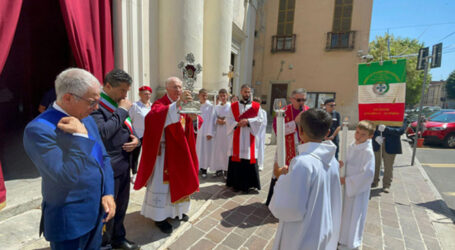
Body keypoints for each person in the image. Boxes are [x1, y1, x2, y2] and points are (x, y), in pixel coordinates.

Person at [23, 68, 115, 249]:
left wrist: (108, 192)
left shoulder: (85, 118)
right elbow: (65, 177)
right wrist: (80, 138)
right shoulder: (39, 129)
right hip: (70, 221)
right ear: (67, 98)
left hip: (97, 211)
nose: (96, 108)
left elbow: (103, 157)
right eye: (92, 102)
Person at [268, 108, 341, 250]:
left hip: (302, 236)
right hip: (322, 231)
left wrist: (281, 178)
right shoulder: (333, 162)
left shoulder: (302, 163)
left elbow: (289, 208)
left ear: (300, 131)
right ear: (327, 133)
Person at [134, 77, 199, 234]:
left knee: (179, 182)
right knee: (162, 185)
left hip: (180, 153)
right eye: (175, 87)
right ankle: (159, 217)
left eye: (180, 87)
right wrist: (177, 105)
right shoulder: (160, 104)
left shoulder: (183, 104)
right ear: (167, 89)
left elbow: (187, 127)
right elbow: (153, 118)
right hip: (164, 154)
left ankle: (176, 212)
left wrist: (193, 120)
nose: (178, 90)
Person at [91, 69, 140, 250]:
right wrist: (121, 110)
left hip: (123, 164)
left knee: (121, 207)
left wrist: (135, 140)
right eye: (122, 90)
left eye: (127, 91)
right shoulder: (97, 106)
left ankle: (118, 238)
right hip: (108, 167)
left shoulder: (116, 104)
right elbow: (103, 133)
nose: (125, 95)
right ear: (108, 86)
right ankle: (104, 244)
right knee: (107, 210)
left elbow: (125, 129)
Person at [266, 88, 309, 205]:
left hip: (302, 149)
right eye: (299, 100)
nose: (302, 103)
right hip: (285, 148)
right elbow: (277, 131)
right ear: (291, 99)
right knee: (282, 171)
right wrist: (294, 122)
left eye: (304, 100)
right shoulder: (282, 111)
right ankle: (278, 203)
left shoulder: (308, 111)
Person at [338, 120, 375, 249]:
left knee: (353, 215)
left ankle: (350, 241)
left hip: (356, 190)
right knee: (344, 214)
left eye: (363, 134)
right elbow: (347, 161)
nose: (358, 136)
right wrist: (341, 165)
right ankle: (341, 237)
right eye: (357, 132)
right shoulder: (353, 145)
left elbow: (368, 174)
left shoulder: (368, 152)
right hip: (347, 187)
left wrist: (348, 181)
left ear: (370, 136)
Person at [226, 84, 264, 193]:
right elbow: (229, 120)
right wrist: (237, 123)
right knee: (237, 159)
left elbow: (260, 120)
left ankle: (249, 184)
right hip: (237, 136)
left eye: (248, 92)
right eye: (245, 92)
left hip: (249, 136)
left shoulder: (256, 106)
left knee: (248, 158)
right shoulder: (233, 106)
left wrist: (248, 121)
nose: (247, 94)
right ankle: (235, 184)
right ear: (241, 92)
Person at [372, 121, 407, 193]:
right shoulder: (379, 112)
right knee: (375, 164)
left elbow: (400, 131)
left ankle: (386, 185)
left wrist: (386, 129)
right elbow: (370, 127)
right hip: (377, 142)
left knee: (388, 166)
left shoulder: (400, 115)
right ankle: (374, 182)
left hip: (391, 144)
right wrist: (375, 137)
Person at [129, 85, 152, 182]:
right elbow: (130, 119)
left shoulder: (152, 105)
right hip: (137, 133)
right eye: (145, 94)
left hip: (149, 134)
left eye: (149, 94)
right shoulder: (135, 106)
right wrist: (131, 133)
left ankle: (147, 173)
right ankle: (134, 173)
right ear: (140, 95)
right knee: (136, 154)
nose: (147, 96)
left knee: (148, 155)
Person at [210, 89, 231, 178]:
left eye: (224, 95)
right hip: (219, 131)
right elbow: (213, 118)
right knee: (218, 150)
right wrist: (216, 120)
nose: (222, 97)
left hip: (227, 131)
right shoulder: (217, 107)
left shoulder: (231, 106)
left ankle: (226, 170)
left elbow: (233, 117)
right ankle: (219, 169)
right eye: (221, 96)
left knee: (226, 150)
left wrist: (226, 121)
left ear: (227, 96)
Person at [196, 88, 214, 178]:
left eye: (206, 95)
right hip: (197, 132)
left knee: (205, 151)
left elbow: (212, 120)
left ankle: (204, 169)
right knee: (197, 150)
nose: (205, 96)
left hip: (206, 132)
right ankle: (197, 167)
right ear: (199, 95)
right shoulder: (196, 105)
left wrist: (209, 132)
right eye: (203, 95)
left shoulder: (210, 106)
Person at [253, 96, 267, 171]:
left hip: (260, 133)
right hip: (253, 133)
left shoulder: (263, 112)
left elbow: (264, 123)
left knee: (260, 148)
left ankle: (260, 164)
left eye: (257, 103)